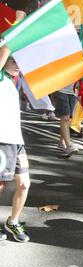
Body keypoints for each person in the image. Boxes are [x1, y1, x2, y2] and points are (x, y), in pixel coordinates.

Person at [0, 11, 31, 242]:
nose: (18, 65)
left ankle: (13, 221)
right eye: (14, 61)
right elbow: (6, 49)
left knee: (24, 184)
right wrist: (19, 22)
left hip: (16, 140)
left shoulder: (13, 81)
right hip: (2, 139)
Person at [53, 84, 79, 157]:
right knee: (65, 118)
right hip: (61, 90)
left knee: (69, 119)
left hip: (74, 92)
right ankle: (69, 145)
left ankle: (62, 142)